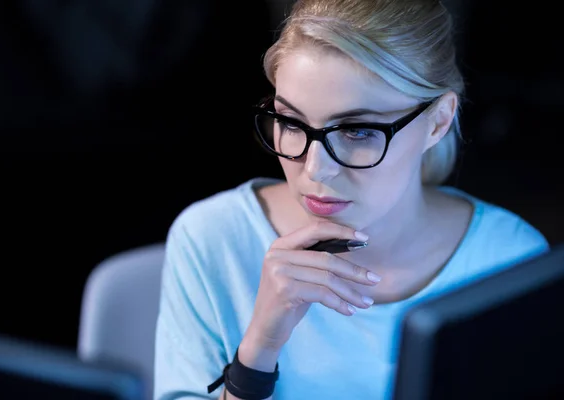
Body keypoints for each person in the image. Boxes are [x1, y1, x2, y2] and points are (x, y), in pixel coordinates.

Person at [153, 0, 550, 399]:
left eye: (358, 131)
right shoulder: (212, 239)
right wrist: (259, 349)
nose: (315, 169)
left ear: (439, 121)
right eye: (290, 122)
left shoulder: (510, 261)